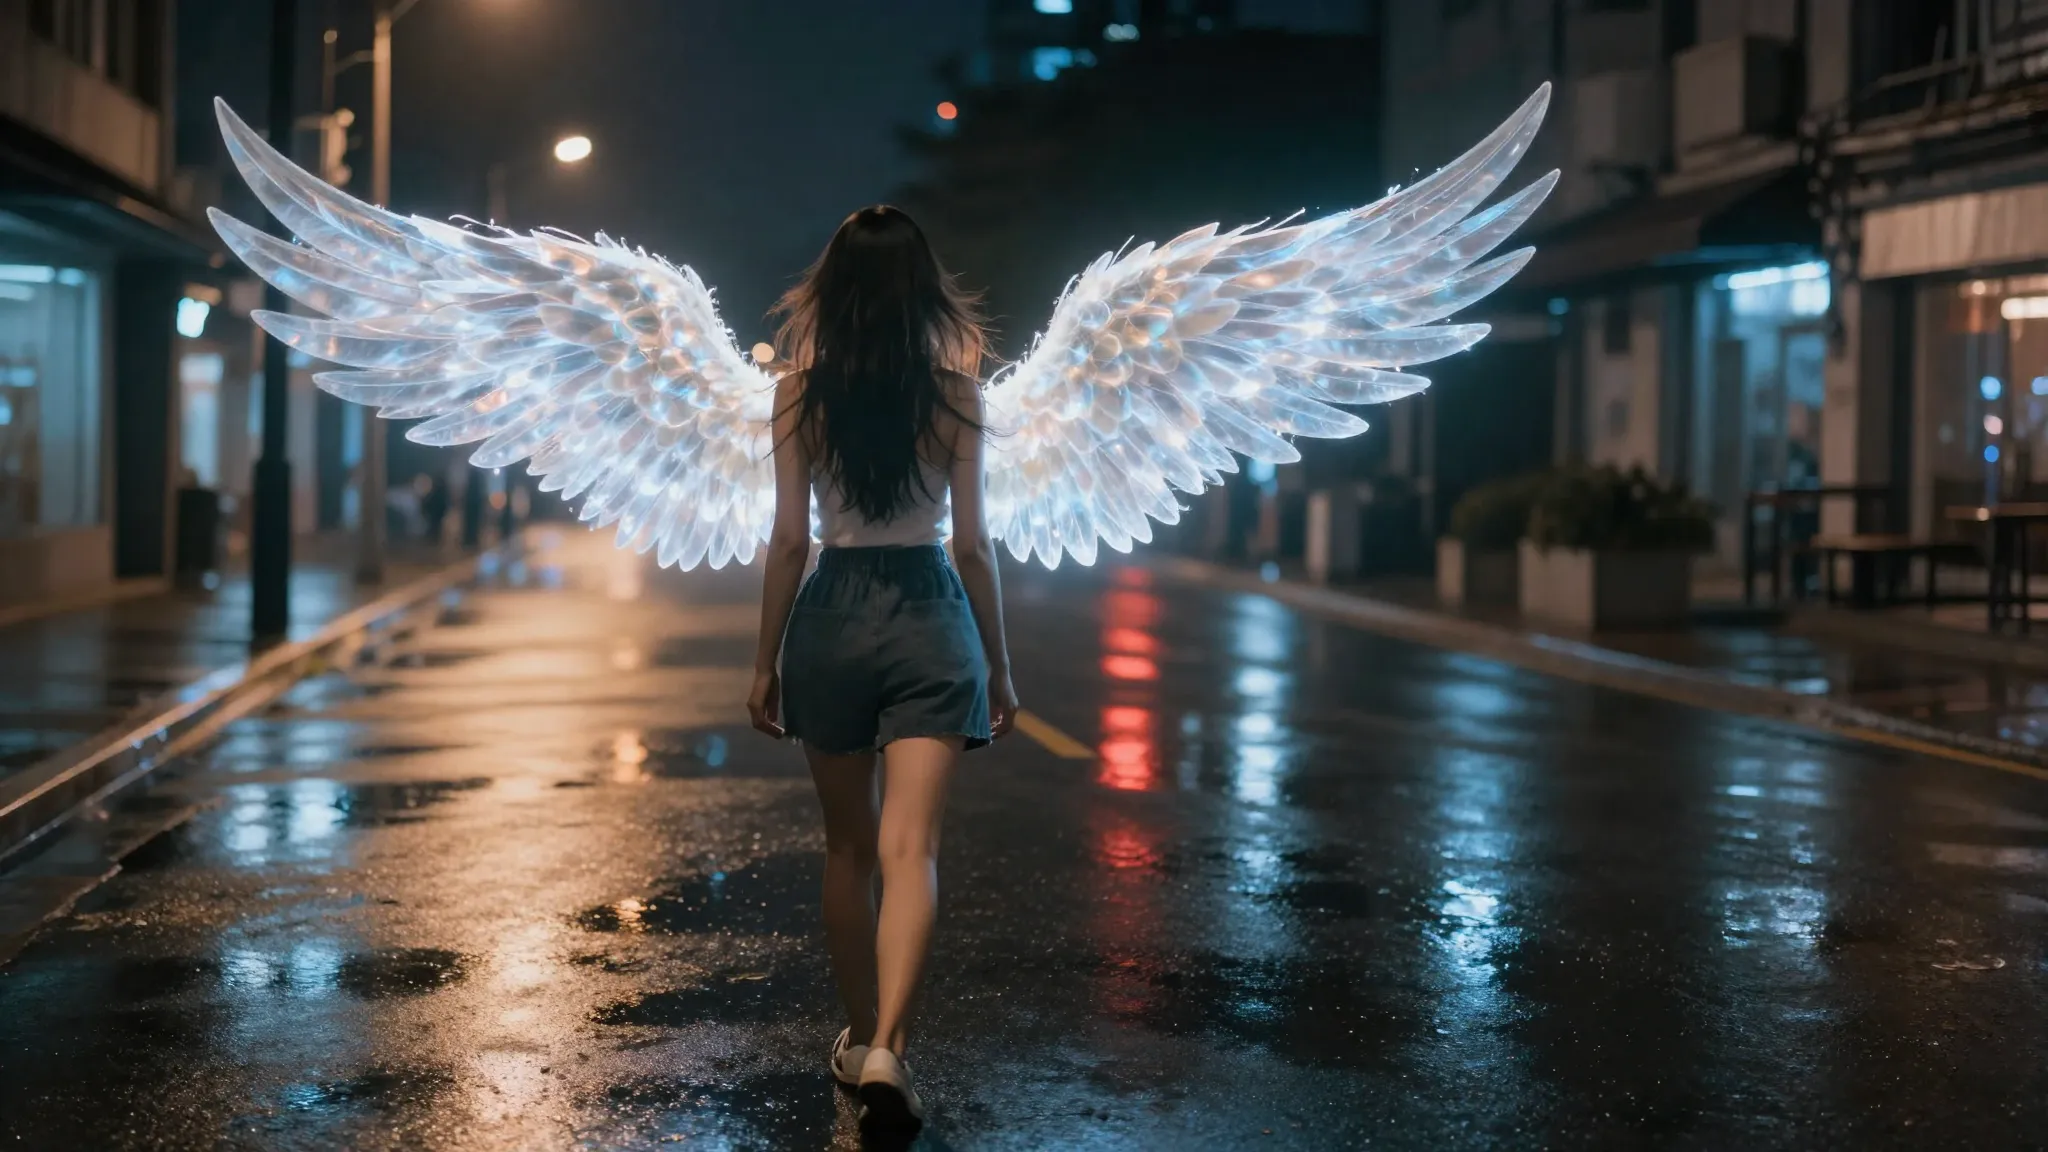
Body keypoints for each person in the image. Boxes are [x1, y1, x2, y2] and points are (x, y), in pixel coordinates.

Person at [746, 206, 1018, 1135]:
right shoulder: (957, 394)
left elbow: (788, 541)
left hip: (830, 612)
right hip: (932, 612)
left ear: (835, 290)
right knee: (912, 852)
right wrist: (1003, 672)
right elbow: (975, 546)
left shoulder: (796, 392)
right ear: (923, 290)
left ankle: (861, 1037)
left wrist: (764, 663)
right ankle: (892, 1049)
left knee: (848, 849)